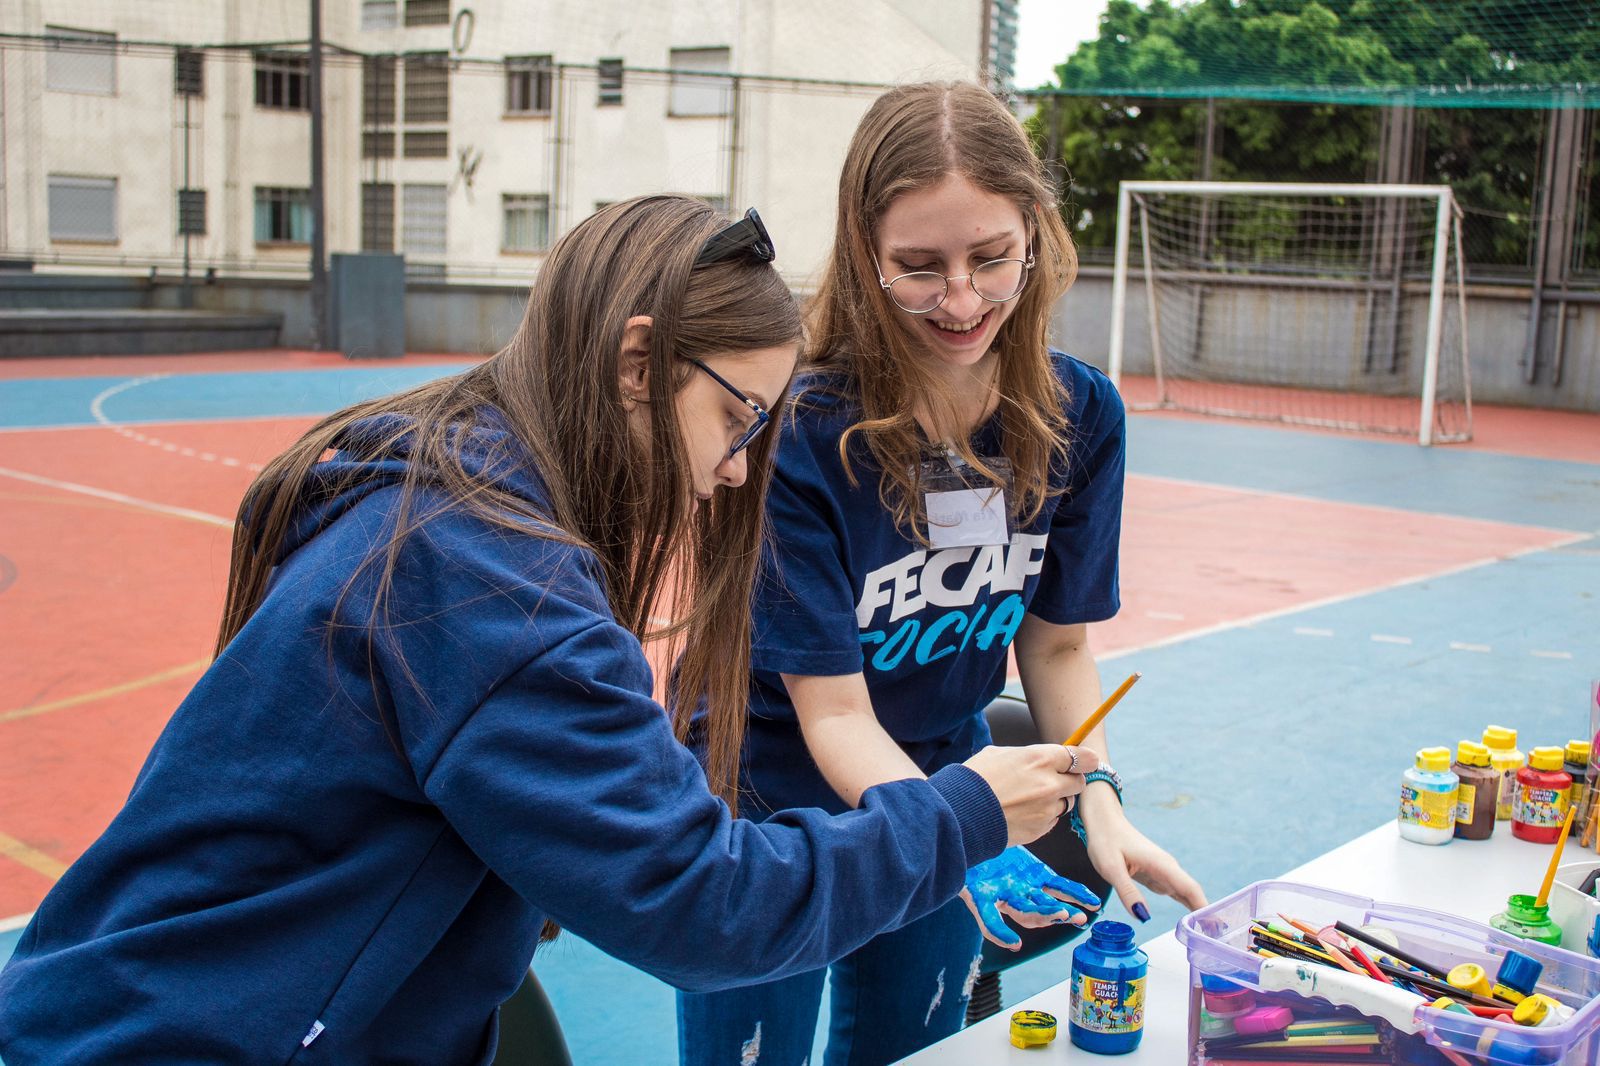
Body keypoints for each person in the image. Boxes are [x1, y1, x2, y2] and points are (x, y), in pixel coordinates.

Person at [0, 197, 1095, 1065]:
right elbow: (708, 906)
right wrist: (965, 809)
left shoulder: (447, 481)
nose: (728, 471)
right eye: (732, 422)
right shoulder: (487, 588)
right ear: (635, 363)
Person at [678, 84, 1208, 1066]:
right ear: (864, 253)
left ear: (1035, 237)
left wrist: (1099, 799)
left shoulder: (1079, 414)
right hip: (772, 808)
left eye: (990, 259)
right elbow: (830, 713)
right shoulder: (801, 434)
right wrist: (956, 826)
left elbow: (1054, 643)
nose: (961, 301)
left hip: (947, 773)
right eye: (918, 267)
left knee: (910, 1047)